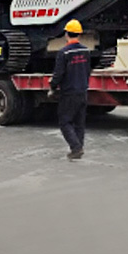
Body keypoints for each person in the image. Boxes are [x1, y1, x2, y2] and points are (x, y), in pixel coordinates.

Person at [49, 19, 91, 160]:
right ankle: (79, 147)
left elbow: (59, 74)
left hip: (69, 92)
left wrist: (52, 86)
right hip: (82, 90)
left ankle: (76, 147)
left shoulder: (64, 53)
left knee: (65, 122)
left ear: (66, 34)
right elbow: (88, 71)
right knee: (79, 123)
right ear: (79, 34)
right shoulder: (85, 51)